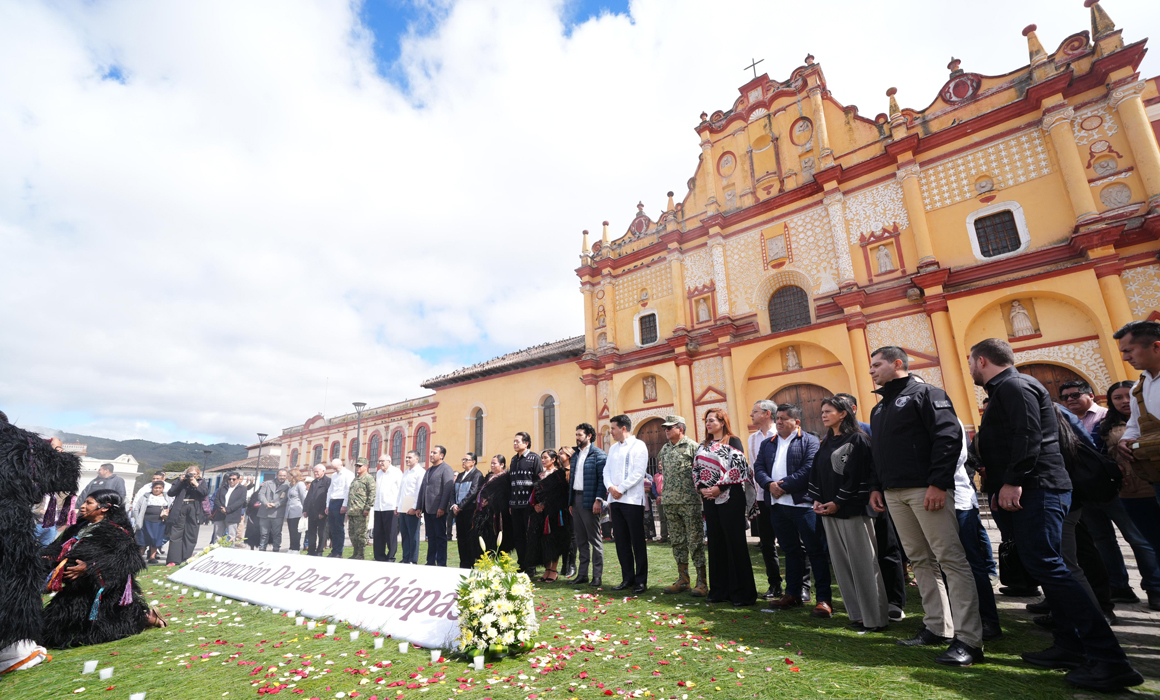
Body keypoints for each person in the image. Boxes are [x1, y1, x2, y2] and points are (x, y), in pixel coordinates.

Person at [973, 338, 1142, 690]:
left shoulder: (1014, 385)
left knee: (1053, 567)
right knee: (1047, 567)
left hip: (1038, 489)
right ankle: (1069, 646)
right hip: (1035, 488)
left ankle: (1109, 660)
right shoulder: (1012, 386)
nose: (970, 368)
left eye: (971, 361)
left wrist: (1014, 480)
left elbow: (1028, 434)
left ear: (983, 360)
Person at [867, 345, 982, 667]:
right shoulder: (880, 408)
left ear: (898, 363)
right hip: (894, 493)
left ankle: (969, 639)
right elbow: (879, 452)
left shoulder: (926, 394)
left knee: (950, 559)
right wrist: (877, 486)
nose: (872, 370)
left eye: (877, 365)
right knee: (919, 559)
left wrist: (938, 482)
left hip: (926, 490)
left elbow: (948, 438)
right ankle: (936, 626)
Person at [41, 490, 166, 648]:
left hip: (101, 596)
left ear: (104, 508)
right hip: (76, 590)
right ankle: (145, 616)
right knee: (48, 628)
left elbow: (127, 561)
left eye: (89, 503)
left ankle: (146, 618)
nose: (83, 506)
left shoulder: (119, 532)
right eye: (84, 502)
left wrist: (91, 567)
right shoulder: (78, 527)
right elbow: (57, 549)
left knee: (75, 636)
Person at [808, 396, 888, 631]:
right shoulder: (825, 442)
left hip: (852, 510)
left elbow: (859, 475)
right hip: (828, 512)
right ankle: (857, 616)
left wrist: (838, 501)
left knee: (864, 564)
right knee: (842, 566)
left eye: (828, 411)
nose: (823, 415)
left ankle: (875, 618)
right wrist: (817, 500)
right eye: (822, 411)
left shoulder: (859, 439)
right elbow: (817, 473)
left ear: (843, 413)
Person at [836, 391, 907, 620]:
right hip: (849, 505)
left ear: (852, 409)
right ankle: (868, 601)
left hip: (875, 498)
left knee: (887, 548)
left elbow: (879, 460)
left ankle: (895, 601)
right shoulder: (832, 437)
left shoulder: (868, 430)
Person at [1090, 380, 1160, 610]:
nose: (1124, 401)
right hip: (1128, 491)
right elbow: (1098, 456)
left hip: (1152, 484)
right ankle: (1121, 586)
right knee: (1130, 539)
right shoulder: (1105, 426)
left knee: (1143, 542)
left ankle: (1155, 587)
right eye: (1117, 398)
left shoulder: (1151, 419)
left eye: (1128, 396)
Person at [754, 404, 829, 616]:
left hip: (802, 505)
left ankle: (823, 598)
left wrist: (783, 485)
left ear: (796, 422)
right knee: (790, 550)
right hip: (778, 506)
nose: (778, 422)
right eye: (777, 418)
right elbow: (758, 468)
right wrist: (769, 485)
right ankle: (793, 593)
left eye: (783, 418)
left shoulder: (809, 441)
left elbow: (809, 469)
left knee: (815, 551)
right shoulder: (768, 443)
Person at [695, 408, 758, 607]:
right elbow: (696, 469)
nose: (708, 423)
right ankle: (719, 591)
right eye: (706, 420)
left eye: (712, 420)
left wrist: (719, 487)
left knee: (735, 544)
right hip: (709, 499)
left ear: (722, 422)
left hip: (731, 497)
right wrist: (703, 488)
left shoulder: (733, 441)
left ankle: (742, 593)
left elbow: (739, 468)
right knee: (716, 544)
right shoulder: (702, 445)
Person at [658, 415, 704, 596]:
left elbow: (700, 472)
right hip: (670, 502)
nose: (666, 430)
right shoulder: (665, 449)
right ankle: (683, 579)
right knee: (677, 541)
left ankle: (702, 581)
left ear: (681, 429)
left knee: (695, 541)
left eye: (670, 427)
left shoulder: (693, 447)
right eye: (665, 428)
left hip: (689, 501)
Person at [603, 414, 650, 594]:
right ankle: (627, 578)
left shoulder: (639, 445)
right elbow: (606, 471)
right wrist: (610, 487)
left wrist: (621, 488)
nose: (611, 432)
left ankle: (640, 580)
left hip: (631, 500)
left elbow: (639, 472)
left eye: (613, 428)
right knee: (621, 541)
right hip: (615, 500)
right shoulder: (613, 449)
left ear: (623, 428)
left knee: (637, 541)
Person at [1115, 320, 1160, 495]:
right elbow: (1135, 424)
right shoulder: (1137, 388)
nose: (1125, 358)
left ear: (1156, 346)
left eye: (1129, 351)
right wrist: (1126, 440)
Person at [747, 402, 784, 601]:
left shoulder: (779, 435)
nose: (751, 414)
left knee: (791, 542)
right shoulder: (752, 438)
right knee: (767, 543)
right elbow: (754, 467)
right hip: (762, 496)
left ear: (767, 414)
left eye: (755, 411)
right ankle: (774, 584)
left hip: (783, 495)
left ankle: (801, 585)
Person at [569, 423, 607, 587]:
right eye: (576, 435)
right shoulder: (575, 455)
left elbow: (602, 480)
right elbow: (572, 480)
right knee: (580, 539)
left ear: (589, 436)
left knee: (594, 540)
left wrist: (598, 500)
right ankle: (582, 574)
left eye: (579, 435)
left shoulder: (599, 454)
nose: (577, 438)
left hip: (590, 499)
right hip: (576, 499)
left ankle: (597, 576)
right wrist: (570, 502)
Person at [528, 448, 573, 581]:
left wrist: (546, 504)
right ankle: (547, 569)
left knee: (554, 539)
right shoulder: (540, 474)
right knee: (543, 541)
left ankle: (554, 569)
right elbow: (534, 493)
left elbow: (561, 494)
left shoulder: (558, 474)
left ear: (553, 460)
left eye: (546, 457)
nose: (543, 460)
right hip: (540, 513)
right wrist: (535, 505)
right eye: (542, 458)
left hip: (555, 512)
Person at [507, 432, 543, 575]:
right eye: (514, 441)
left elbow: (539, 482)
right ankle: (521, 563)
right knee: (518, 536)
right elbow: (511, 483)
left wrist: (536, 502)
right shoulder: (513, 460)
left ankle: (531, 566)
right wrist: (511, 503)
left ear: (526, 443)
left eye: (518, 441)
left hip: (529, 505)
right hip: (515, 505)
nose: (515, 444)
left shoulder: (534, 458)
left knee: (530, 536)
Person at [418, 446, 455, 566]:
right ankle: (430, 561)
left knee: (440, 537)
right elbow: (423, 489)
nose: (431, 454)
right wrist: (419, 506)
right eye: (431, 452)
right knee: (431, 537)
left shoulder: (446, 469)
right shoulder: (428, 470)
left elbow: (447, 490)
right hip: (428, 510)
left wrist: (442, 507)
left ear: (442, 455)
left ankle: (441, 562)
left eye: (434, 452)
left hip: (439, 510)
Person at [165, 466, 207, 565]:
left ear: (198, 474)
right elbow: (171, 493)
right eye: (190, 473)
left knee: (191, 533)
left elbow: (204, 493)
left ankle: (186, 557)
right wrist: (180, 480)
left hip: (194, 508)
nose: (191, 476)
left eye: (194, 474)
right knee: (176, 533)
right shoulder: (181, 481)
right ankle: (173, 559)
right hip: (180, 506)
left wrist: (195, 483)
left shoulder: (201, 482)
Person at [451, 453, 484, 568]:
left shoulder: (477, 475)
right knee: (460, 538)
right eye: (463, 459)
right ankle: (463, 562)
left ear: (473, 462)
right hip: (459, 511)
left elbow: (473, 492)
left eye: (466, 459)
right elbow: (453, 492)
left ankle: (469, 563)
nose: (463, 461)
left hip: (470, 511)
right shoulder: (460, 475)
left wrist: (460, 506)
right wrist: (454, 505)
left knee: (469, 538)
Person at [474, 455, 511, 555]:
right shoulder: (489, 477)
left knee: (498, 540)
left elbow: (504, 496)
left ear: (502, 465)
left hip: (498, 514)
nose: (492, 465)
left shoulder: (505, 478)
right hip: (485, 514)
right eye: (491, 463)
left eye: (494, 463)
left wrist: (490, 501)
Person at [372, 455, 403, 562]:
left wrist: (398, 505)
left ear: (389, 461)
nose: (380, 463)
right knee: (378, 533)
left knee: (391, 534)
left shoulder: (396, 472)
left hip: (391, 507)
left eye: (382, 461)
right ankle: (379, 556)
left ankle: (390, 556)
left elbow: (400, 490)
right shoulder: (378, 473)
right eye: (379, 461)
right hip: (379, 507)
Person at [397, 451, 425, 564]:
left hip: (412, 507)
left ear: (417, 459)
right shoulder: (406, 472)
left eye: (410, 457)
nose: (407, 459)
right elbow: (401, 491)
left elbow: (419, 491)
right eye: (406, 457)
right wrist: (397, 506)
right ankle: (405, 557)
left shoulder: (420, 472)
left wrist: (415, 507)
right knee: (404, 534)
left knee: (413, 534)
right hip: (403, 506)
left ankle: (413, 559)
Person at [132, 481, 170, 564]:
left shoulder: (166, 496)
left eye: (159, 488)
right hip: (145, 521)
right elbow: (136, 508)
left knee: (156, 539)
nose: (157, 489)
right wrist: (137, 519)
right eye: (155, 488)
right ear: (152, 488)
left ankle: (152, 557)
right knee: (142, 539)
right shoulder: (146, 496)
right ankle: (139, 556)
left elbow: (171, 506)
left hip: (159, 522)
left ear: (162, 488)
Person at [255, 469, 291, 552]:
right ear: (276, 475)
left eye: (284, 476)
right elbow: (261, 494)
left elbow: (286, 498)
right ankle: (262, 549)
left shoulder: (288, 485)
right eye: (281, 475)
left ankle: (276, 549)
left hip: (277, 513)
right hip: (264, 512)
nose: (282, 477)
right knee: (263, 533)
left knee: (277, 533)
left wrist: (276, 504)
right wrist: (266, 503)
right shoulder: (267, 483)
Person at [347, 459, 376, 560]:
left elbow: (372, 495)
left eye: (360, 466)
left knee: (361, 535)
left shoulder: (369, 479)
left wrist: (367, 508)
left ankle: (360, 554)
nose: (357, 468)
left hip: (361, 511)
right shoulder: (355, 479)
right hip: (352, 511)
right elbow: (351, 495)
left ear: (365, 467)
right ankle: (355, 553)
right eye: (357, 466)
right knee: (352, 534)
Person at [325, 459, 352, 558]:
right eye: (333, 468)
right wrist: (327, 505)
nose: (335, 470)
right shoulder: (334, 475)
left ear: (341, 465)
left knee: (339, 527)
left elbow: (347, 490)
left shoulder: (348, 474)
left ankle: (339, 551)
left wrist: (344, 505)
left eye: (336, 468)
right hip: (333, 500)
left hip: (341, 501)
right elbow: (330, 490)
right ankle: (334, 550)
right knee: (332, 528)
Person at [210, 472, 247, 543]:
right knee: (217, 536)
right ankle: (216, 550)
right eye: (229, 479)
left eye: (234, 479)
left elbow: (241, 501)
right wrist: (221, 508)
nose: (231, 481)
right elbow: (216, 500)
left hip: (232, 515)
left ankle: (229, 550)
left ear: (238, 479)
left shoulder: (242, 489)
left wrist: (227, 509)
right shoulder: (222, 488)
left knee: (231, 536)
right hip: (220, 515)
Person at [303, 464, 330, 557]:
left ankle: (320, 550)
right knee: (311, 532)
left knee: (322, 533)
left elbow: (327, 498)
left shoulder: (328, 481)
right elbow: (309, 497)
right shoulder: (314, 482)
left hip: (321, 512)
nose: (315, 473)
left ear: (323, 471)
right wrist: (305, 509)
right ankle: (311, 550)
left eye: (317, 471)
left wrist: (323, 512)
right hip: (312, 511)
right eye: (314, 472)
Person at [285, 469, 308, 552]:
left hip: (297, 511)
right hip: (290, 512)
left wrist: (305, 510)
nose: (287, 477)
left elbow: (304, 497)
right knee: (291, 531)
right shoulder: (291, 485)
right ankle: (291, 547)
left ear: (293, 476)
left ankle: (296, 548)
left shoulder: (300, 484)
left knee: (296, 531)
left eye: (288, 476)